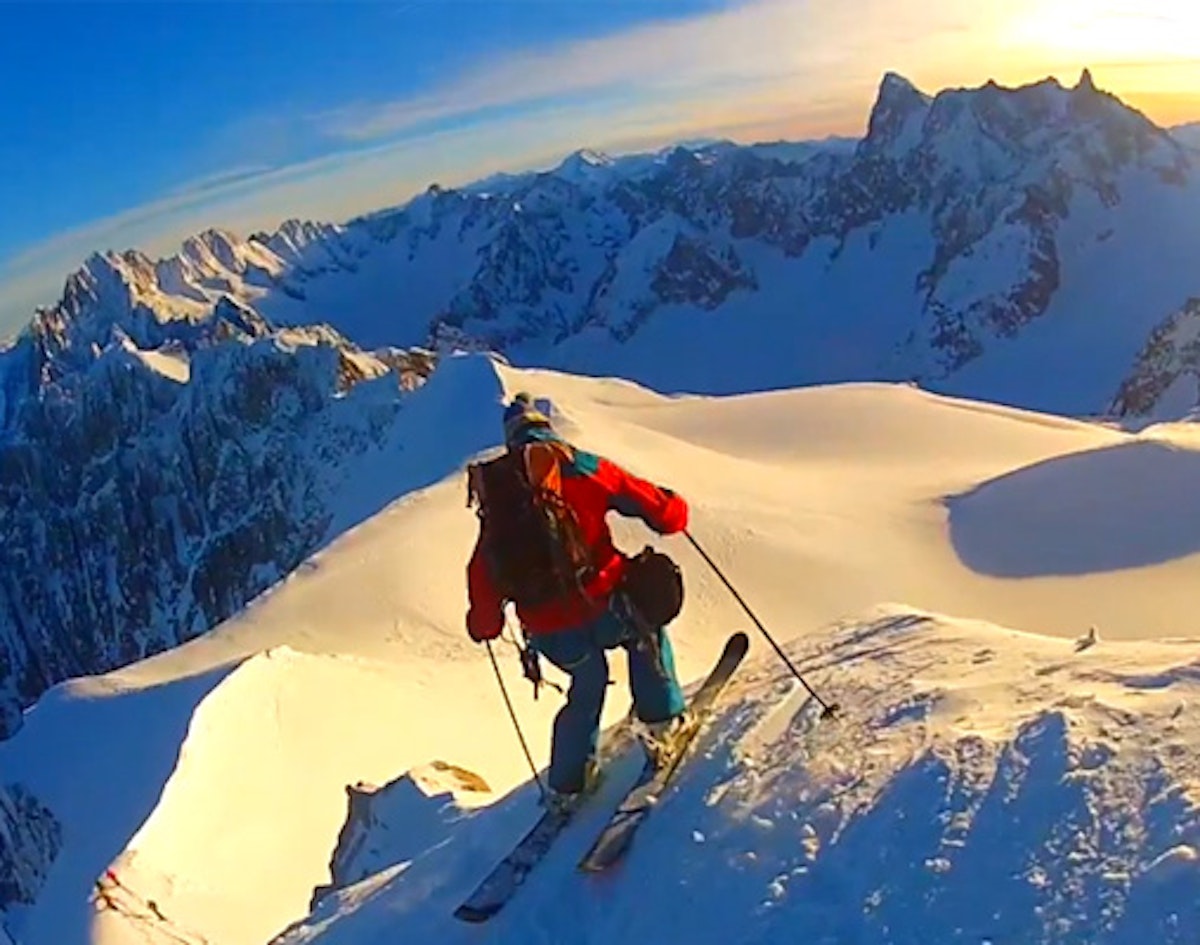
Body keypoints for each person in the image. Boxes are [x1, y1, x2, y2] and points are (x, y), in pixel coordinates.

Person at [466, 393, 692, 811]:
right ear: (546, 429)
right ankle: (663, 723)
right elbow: (660, 512)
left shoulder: (500, 495)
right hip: (605, 606)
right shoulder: (580, 466)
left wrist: (483, 622)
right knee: (644, 635)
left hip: (550, 633)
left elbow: (483, 571)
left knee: (586, 685)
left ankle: (568, 784)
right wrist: (674, 509)